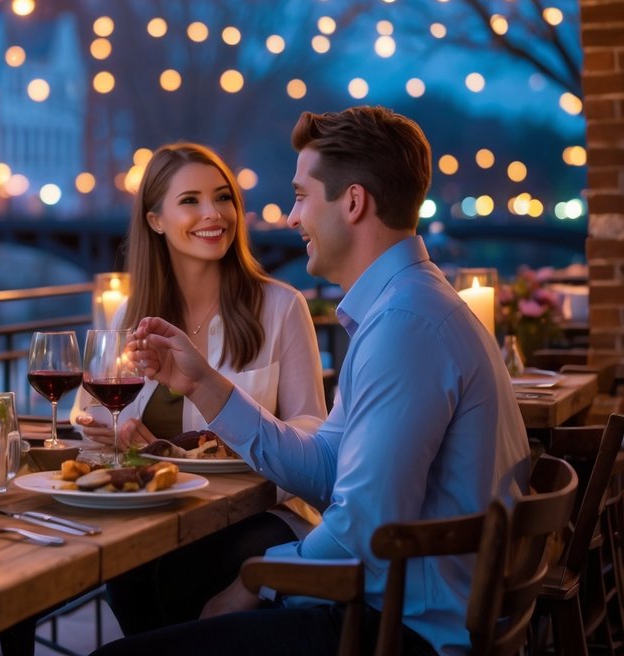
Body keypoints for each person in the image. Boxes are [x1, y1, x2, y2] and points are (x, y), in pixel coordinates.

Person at [92, 106, 531, 656]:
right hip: (401, 605)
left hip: (399, 629)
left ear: (352, 202)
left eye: (301, 196)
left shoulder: (405, 327)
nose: (292, 217)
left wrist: (253, 581)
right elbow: (327, 468)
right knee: (162, 589)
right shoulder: (404, 309)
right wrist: (202, 383)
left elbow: (363, 528)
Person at [67, 141, 327, 633]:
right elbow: (87, 415)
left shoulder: (281, 307)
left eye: (223, 197)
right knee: (129, 575)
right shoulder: (127, 317)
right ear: (155, 220)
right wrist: (106, 428)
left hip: (260, 515)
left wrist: (241, 427)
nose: (214, 213)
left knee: (180, 574)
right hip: (163, 511)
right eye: (190, 200)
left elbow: (312, 429)